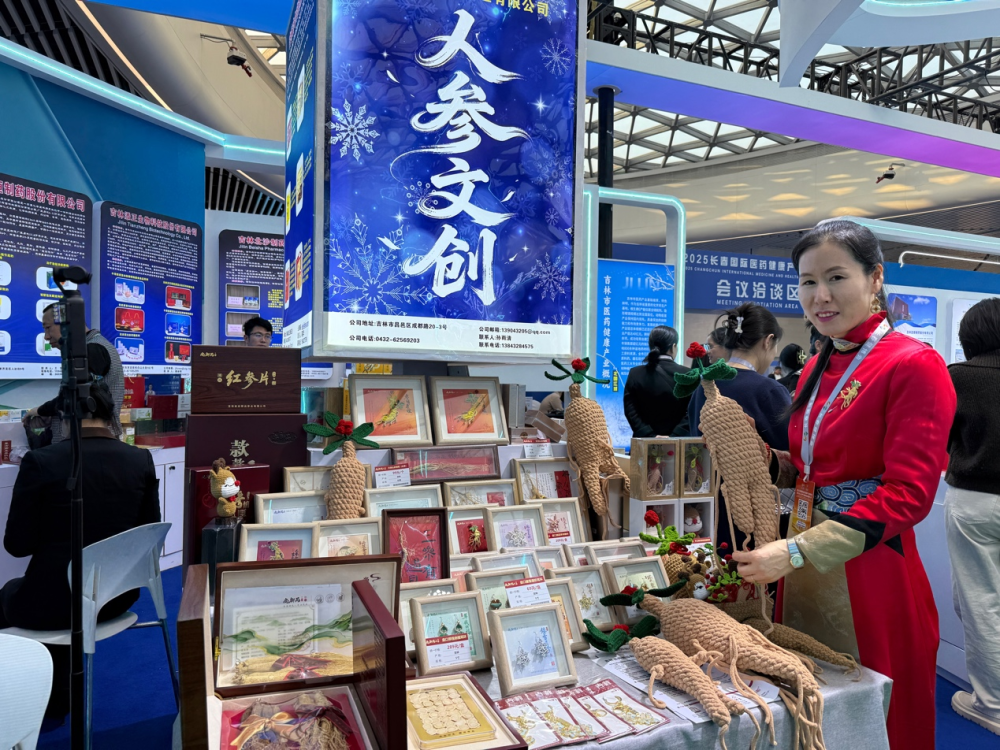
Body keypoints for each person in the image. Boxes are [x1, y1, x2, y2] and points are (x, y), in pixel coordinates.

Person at [731, 219, 955, 750]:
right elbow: (816, 467)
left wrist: (798, 551)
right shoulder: (820, 362)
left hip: (868, 570)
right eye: (808, 282)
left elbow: (909, 494)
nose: (820, 296)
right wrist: (759, 460)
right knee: (806, 708)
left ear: (875, 277)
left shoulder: (914, 364)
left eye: (836, 277)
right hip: (800, 560)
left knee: (869, 717)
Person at [0, 377, 160, 719]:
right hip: (117, 598)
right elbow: (149, 534)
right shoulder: (140, 460)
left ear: (63, 415)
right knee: (57, 590)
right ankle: (56, 697)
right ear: (110, 414)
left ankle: (33, 704)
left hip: (52, 604)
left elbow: (17, 545)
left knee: (21, 594)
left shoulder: (42, 462)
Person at [688, 303, 791, 548]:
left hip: (710, 507)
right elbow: (792, 455)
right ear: (768, 341)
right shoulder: (769, 390)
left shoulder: (704, 387)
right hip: (758, 511)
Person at [943, 297, 1000, 735]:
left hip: (975, 501)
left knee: (980, 602)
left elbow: (940, 438)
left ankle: (993, 705)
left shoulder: (957, 376)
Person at [23, 304, 124, 440]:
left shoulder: (93, 351)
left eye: (48, 328)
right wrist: (52, 413)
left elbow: (75, 396)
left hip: (87, 443)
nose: (46, 337)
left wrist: (40, 410)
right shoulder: (92, 348)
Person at [623, 325, 691, 438]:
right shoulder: (688, 374)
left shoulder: (635, 373)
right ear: (673, 347)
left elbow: (630, 410)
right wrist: (674, 436)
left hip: (644, 442)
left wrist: (650, 435)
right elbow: (692, 411)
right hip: (679, 443)